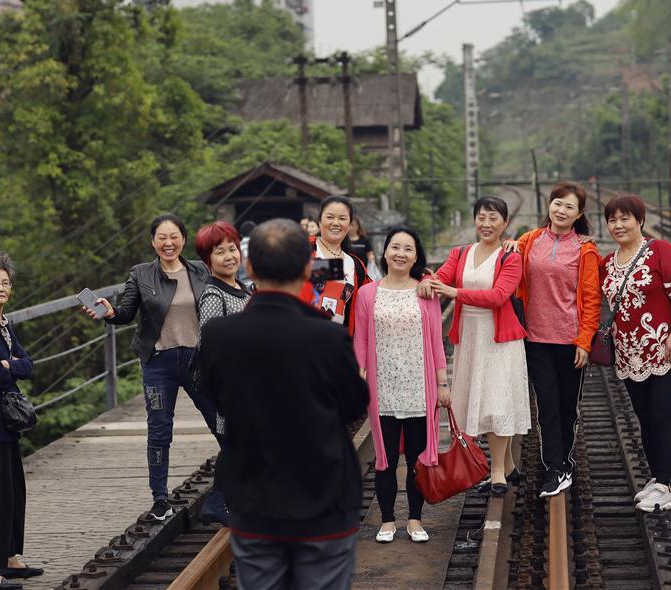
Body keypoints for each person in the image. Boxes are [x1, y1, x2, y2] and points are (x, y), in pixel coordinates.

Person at [199, 219, 368, 590]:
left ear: (251, 268)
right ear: (308, 268)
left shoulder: (218, 335)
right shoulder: (326, 336)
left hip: (252, 497)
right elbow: (355, 402)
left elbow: (212, 395)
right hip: (323, 498)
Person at [83, 214, 220, 522]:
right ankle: (159, 498)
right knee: (160, 430)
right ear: (153, 241)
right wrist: (108, 312)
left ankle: (234, 486)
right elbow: (125, 313)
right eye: (161, 237)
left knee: (220, 419)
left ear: (183, 239)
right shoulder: (141, 274)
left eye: (174, 236)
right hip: (159, 363)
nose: (168, 243)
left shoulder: (200, 270)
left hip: (197, 360)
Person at [420, 196, 531, 495]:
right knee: (478, 400)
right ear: (474, 220)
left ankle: (497, 474)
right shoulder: (460, 253)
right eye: (481, 217)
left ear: (505, 223)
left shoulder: (510, 257)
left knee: (496, 403)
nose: (486, 223)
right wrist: (425, 281)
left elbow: (498, 296)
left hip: (499, 339)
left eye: (494, 218)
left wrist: (455, 291)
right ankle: (506, 465)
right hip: (470, 336)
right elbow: (439, 277)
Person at [505, 182, 602, 498]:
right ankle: (555, 468)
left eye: (569, 207)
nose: (561, 210)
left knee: (566, 407)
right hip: (535, 338)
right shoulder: (530, 241)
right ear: (550, 206)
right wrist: (508, 246)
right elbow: (509, 263)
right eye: (557, 203)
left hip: (570, 341)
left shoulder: (585, 249)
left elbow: (590, 297)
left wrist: (585, 341)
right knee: (546, 405)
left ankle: (565, 461)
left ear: (579, 214)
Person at [354, 227, 448, 544]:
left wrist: (442, 383)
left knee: (417, 461)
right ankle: (387, 520)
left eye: (408, 249)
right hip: (383, 390)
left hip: (419, 389)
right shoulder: (368, 294)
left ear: (415, 257)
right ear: (384, 252)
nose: (400, 253)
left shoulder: (425, 293)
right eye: (395, 247)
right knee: (386, 460)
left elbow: (436, 342)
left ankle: (415, 520)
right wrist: (361, 375)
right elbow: (360, 340)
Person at [601, 194, 671, 513]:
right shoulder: (608, 263)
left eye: (625, 218)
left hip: (663, 350)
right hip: (629, 356)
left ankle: (665, 488)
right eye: (612, 220)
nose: (618, 225)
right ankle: (656, 480)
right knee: (645, 420)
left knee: (661, 416)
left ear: (639, 219)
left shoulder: (659, 250)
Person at [193, 221, 253, 526]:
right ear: (208, 260)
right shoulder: (213, 295)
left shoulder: (242, 288)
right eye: (220, 252)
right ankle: (217, 502)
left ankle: (234, 500)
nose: (229, 256)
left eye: (232, 249)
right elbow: (210, 344)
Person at [0, 253, 43, 590]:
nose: (0, 288)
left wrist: (12, 365)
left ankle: (10, 555)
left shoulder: (4, 324)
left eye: (5, 283)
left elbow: (28, 364)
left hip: (6, 421)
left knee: (13, 491)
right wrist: (8, 367)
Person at [299, 196, 370, 335]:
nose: (336, 223)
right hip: (299, 339)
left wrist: (423, 277)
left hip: (336, 345)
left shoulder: (355, 265)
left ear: (350, 224)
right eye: (330, 217)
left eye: (342, 218)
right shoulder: (301, 248)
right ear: (319, 220)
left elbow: (373, 295)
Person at [236, 220, 257, 287]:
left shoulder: (235, 248)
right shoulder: (261, 245)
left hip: (243, 287)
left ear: (241, 235)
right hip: (259, 286)